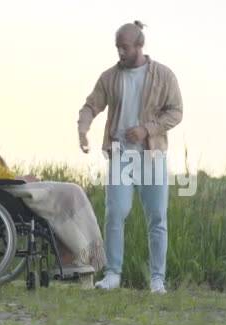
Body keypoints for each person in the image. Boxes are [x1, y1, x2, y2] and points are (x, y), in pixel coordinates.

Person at [78, 21, 183, 294]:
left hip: (151, 157)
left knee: (157, 217)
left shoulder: (164, 75)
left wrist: (147, 129)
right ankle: (113, 275)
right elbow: (91, 105)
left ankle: (157, 279)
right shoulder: (109, 77)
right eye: (117, 47)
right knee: (115, 213)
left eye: (124, 47)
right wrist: (83, 129)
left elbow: (176, 112)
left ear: (139, 45)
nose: (120, 53)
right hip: (120, 155)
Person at [0, 93, 106, 275]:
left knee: (72, 192)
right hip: (0, 190)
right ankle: (73, 254)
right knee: (70, 192)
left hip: (3, 187)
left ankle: (74, 252)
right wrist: (21, 178)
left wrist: (20, 178)